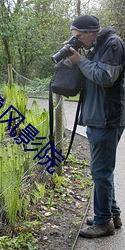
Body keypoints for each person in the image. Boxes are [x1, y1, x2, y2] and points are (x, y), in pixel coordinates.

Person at [67, 15, 125, 238]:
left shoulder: (113, 44)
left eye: (79, 37)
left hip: (107, 118)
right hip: (97, 117)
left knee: (100, 171)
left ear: (91, 32)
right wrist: (77, 59)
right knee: (102, 171)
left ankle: (103, 223)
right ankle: (112, 214)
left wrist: (80, 61)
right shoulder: (96, 46)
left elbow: (104, 77)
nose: (78, 41)